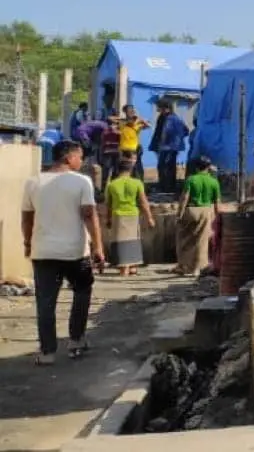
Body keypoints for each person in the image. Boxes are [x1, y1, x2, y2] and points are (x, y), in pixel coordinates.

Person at [22, 141, 104, 365]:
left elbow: (27, 218)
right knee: (82, 291)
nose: (82, 161)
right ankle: (76, 340)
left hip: (43, 251)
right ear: (68, 158)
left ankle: (47, 353)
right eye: (79, 157)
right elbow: (89, 215)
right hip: (75, 252)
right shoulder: (81, 181)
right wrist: (98, 247)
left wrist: (28, 243)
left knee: (45, 302)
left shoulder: (33, 181)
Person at [104, 157, 155, 276]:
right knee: (133, 241)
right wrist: (150, 218)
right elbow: (143, 202)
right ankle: (132, 266)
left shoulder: (112, 185)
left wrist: (108, 219)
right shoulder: (137, 183)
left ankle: (123, 268)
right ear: (131, 170)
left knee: (120, 242)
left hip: (118, 215)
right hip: (133, 214)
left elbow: (109, 205)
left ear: (118, 170)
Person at [173, 156, 220, 277]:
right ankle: (197, 269)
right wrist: (218, 217)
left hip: (190, 210)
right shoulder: (214, 181)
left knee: (184, 238)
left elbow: (184, 197)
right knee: (201, 241)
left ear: (196, 167)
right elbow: (217, 204)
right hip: (205, 211)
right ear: (208, 167)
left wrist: (179, 214)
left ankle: (183, 265)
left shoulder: (191, 179)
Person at [151, 100, 191, 194]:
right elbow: (185, 131)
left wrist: (173, 140)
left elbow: (166, 132)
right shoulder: (164, 117)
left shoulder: (171, 118)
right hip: (169, 147)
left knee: (165, 167)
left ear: (166, 108)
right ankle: (166, 186)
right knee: (167, 167)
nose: (158, 109)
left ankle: (167, 188)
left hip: (168, 147)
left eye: (160, 107)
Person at [115, 105, 148, 180]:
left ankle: (139, 184)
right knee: (124, 166)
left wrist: (139, 118)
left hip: (135, 148)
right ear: (125, 111)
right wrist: (121, 119)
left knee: (137, 168)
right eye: (129, 110)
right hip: (124, 149)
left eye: (132, 110)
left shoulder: (137, 122)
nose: (131, 111)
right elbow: (111, 120)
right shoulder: (122, 122)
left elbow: (147, 126)